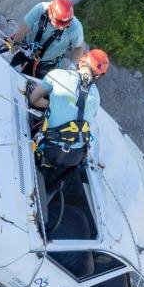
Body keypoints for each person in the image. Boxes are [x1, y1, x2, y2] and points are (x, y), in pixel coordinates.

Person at [30, 48, 110, 190]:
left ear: (81, 62)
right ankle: (50, 187)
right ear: (98, 76)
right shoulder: (96, 96)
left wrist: (52, 104)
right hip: (75, 157)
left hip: (50, 148)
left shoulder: (57, 74)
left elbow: (33, 99)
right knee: (53, 178)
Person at [5, 0, 85, 78]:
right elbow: (22, 32)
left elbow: (80, 47)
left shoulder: (75, 28)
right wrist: (11, 53)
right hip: (25, 50)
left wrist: (72, 65)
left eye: (64, 26)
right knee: (4, 68)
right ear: (50, 13)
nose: (61, 27)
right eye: (57, 24)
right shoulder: (39, 9)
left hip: (45, 63)